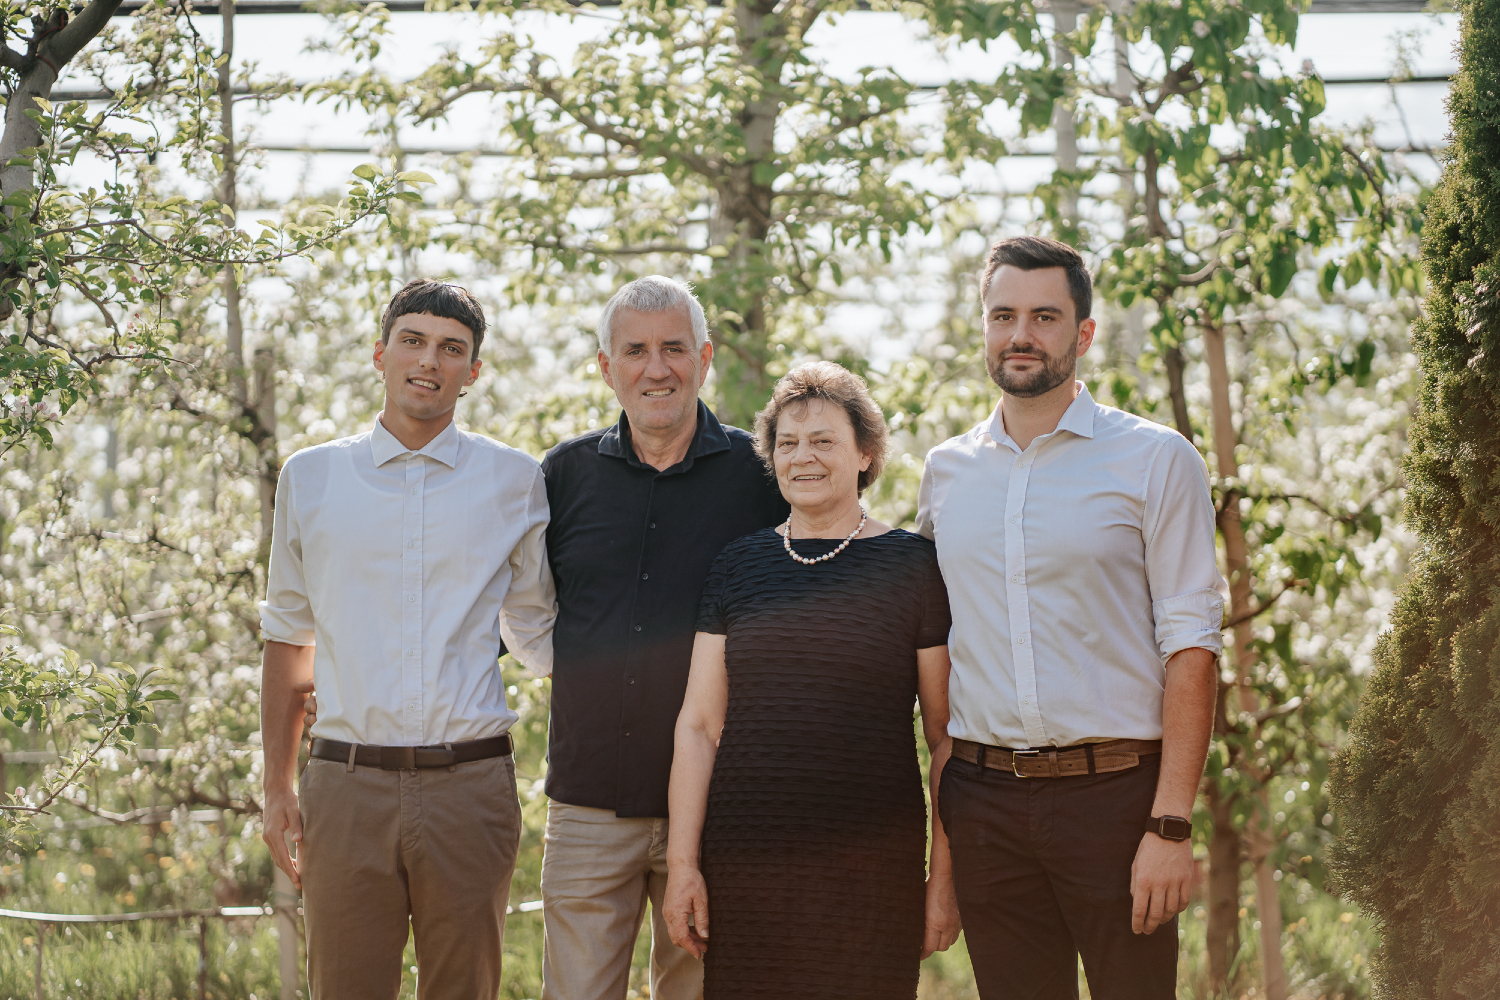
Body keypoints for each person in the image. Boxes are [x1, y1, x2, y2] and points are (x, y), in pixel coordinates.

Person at [916, 236, 1227, 999]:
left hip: (1117, 800)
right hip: (985, 802)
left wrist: (1170, 827)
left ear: (1082, 333)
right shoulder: (945, 472)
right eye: (1003, 315)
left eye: (1044, 316)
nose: (1021, 334)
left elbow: (1192, 646)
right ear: (983, 327)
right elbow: (934, 644)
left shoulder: (1156, 459)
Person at [259, 278, 556, 999]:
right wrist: (275, 784)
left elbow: (538, 628)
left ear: (473, 371)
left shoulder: (515, 480)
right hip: (344, 785)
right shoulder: (311, 477)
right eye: (413, 341)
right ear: (380, 354)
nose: (431, 360)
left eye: (452, 349)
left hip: (471, 785)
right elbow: (288, 641)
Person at [663, 361, 963, 1000]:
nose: (804, 457)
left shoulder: (913, 566)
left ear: (866, 453)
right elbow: (699, 725)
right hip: (746, 864)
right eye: (788, 443)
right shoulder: (737, 566)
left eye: (824, 441)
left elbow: (945, 739)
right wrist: (684, 866)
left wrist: (944, 879)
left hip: (873, 868)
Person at [537, 276, 788, 1000]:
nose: (657, 368)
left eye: (674, 348)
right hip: (588, 805)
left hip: (721, 808)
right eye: (636, 351)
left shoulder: (762, 473)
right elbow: (515, 612)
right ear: (605, 365)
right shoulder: (562, 476)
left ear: (705, 357)